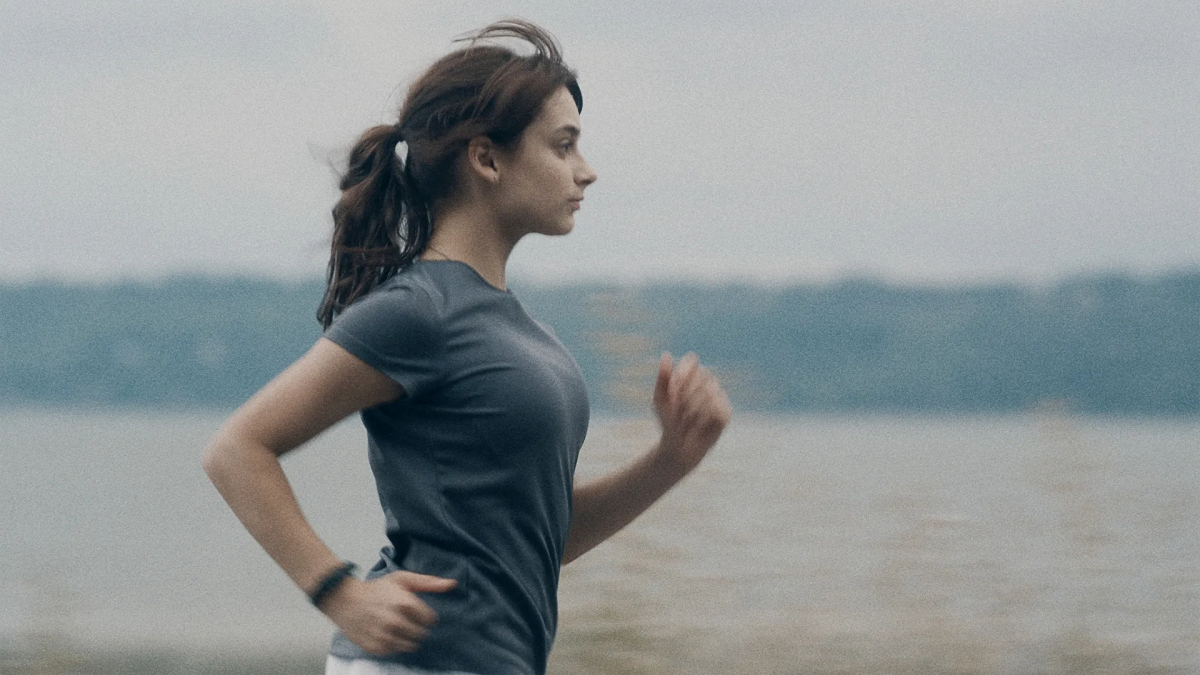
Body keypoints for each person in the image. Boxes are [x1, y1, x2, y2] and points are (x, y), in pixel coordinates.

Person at [202, 19, 731, 675]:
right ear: (486, 158)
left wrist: (669, 460)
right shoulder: (419, 312)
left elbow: (537, 540)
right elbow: (238, 448)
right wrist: (338, 590)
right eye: (563, 146)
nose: (586, 172)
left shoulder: (526, 333)